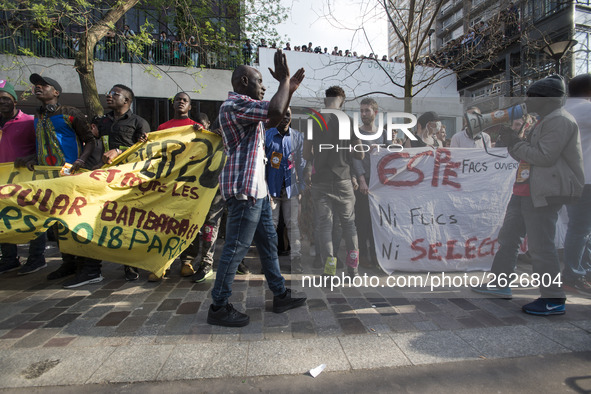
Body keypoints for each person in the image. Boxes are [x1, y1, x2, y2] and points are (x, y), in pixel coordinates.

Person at [207, 50, 306, 327]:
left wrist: (289, 88)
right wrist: (284, 80)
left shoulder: (249, 108)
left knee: (268, 244)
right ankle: (218, 305)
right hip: (244, 191)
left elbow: (276, 117)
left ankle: (280, 294)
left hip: (258, 192)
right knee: (236, 247)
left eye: (265, 82)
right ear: (242, 82)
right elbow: (275, 110)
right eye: (259, 81)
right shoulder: (235, 105)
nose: (263, 86)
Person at [472, 75, 584, 316]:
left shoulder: (560, 121)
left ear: (547, 99)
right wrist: (514, 142)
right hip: (526, 189)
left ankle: (553, 299)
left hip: (543, 192)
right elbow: (529, 155)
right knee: (509, 238)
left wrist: (516, 143)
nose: (527, 101)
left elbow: (544, 156)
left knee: (541, 246)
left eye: (532, 97)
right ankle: (500, 284)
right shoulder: (545, 119)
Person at [20, 74, 102, 288]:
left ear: (56, 92)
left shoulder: (71, 113)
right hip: (48, 178)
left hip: (71, 176)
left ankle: (90, 268)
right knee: (56, 224)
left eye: (44, 85)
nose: (38, 88)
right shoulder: (38, 117)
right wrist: (32, 160)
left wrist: (80, 160)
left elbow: (90, 140)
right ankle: (69, 262)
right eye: (36, 86)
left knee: (76, 222)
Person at [303, 86, 364, 277]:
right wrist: (346, 150)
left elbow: (306, 154)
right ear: (342, 101)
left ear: (325, 101)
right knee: (348, 224)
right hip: (343, 179)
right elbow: (360, 154)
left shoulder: (313, 120)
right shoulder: (349, 121)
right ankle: (352, 268)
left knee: (324, 225)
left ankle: (329, 269)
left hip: (320, 180)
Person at [96, 84, 150, 281]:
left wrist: (119, 152)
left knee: (130, 222)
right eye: (109, 93)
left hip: (130, 181)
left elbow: (145, 151)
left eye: (115, 94)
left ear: (126, 101)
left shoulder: (139, 123)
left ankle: (131, 264)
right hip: (105, 180)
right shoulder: (102, 121)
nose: (109, 96)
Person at [0, 79, 47, 275]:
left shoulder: (29, 121)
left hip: (26, 181)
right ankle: (9, 258)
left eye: (4, 98)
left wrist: (31, 158)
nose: (1, 102)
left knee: (33, 217)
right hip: (2, 182)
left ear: (15, 101)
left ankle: (37, 257)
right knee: (4, 219)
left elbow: (43, 148)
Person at [265, 107, 306, 273]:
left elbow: (301, 163)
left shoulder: (297, 137)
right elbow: (263, 162)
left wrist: (302, 186)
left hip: (291, 189)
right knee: (271, 226)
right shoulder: (267, 135)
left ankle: (296, 259)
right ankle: (269, 262)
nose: (284, 117)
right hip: (271, 189)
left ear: (291, 117)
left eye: (287, 114)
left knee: (293, 225)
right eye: (281, 114)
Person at [561, 74, 591, 294]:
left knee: (579, 228)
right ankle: (574, 274)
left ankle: (579, 272)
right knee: (581, 229)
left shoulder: (562, 111)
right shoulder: (586, 110)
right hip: (587, 178)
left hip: (571, 179)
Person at [352, 98, 384, 268]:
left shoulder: (383, 134)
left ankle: (376, 254)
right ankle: (363, 254)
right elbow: (356, 159)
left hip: (380, 185)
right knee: (362, 221)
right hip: (363, 184)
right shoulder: (356, 133)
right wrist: (361, 180)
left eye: (367, 110)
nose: (363, 114)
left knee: (377, 222)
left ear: (375, 113)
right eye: (361, 111)